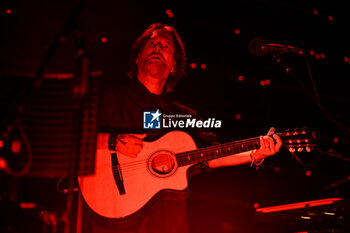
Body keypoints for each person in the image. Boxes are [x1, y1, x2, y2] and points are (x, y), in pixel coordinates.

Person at [81, 23, 282, 233]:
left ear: (173, 66)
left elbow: (211, 156)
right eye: (151, 44)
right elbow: (72, 139)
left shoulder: (184, 116)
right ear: (137, 57)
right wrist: (111, 141)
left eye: (165, 46)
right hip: (110, 215)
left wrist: (255, 153)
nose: (157, 49)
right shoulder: (109, 99)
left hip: (166, 219)